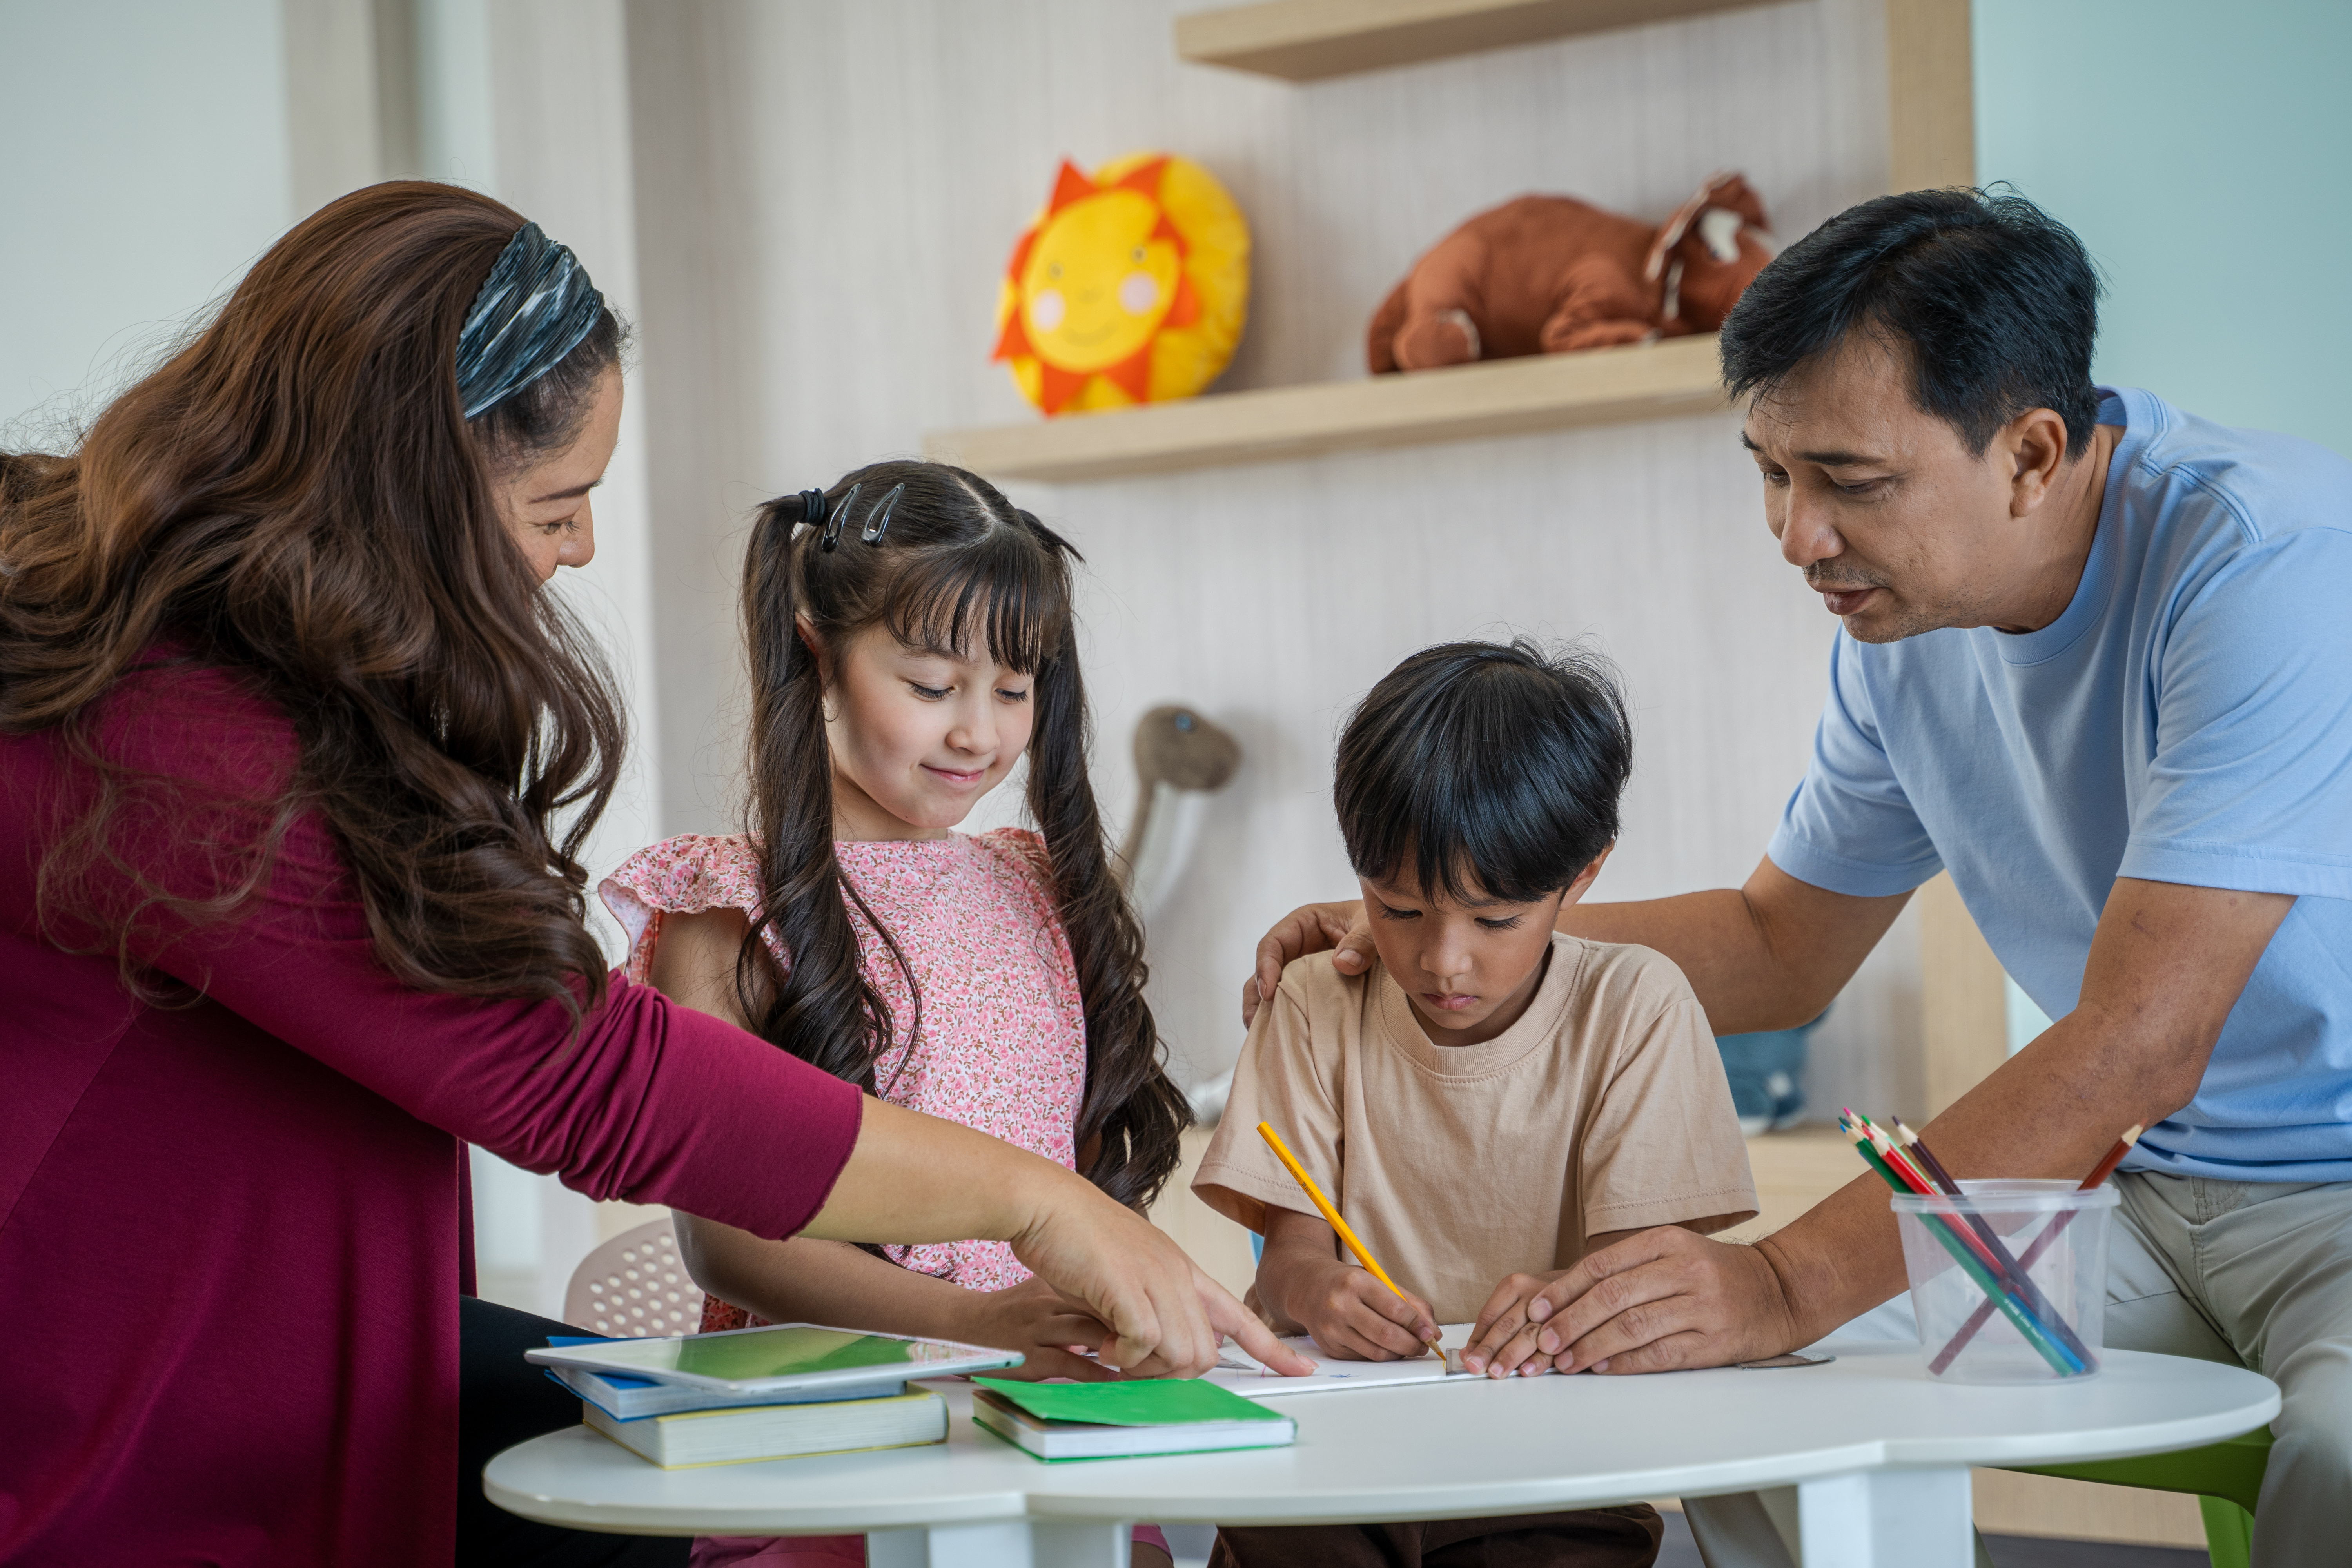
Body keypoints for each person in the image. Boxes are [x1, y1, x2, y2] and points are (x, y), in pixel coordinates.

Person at [0, 181, 1295, 1568]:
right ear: (416, 481)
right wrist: (1043, 1206)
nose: (581, 550)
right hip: (103, 1418)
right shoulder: (175, 748)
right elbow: (591, 1079)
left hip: (243, 1354)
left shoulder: (181, 652)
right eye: (558, 505)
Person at [1246, 189, 2352, 1566]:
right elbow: (1781, 948)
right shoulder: (1901, 632)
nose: (1796, 535)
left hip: (2327, 1191)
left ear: (2031, 451)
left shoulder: (2267, 566)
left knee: (2342, 1451)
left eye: (1848, 481)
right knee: (1692, 1374)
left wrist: (1778, 1280)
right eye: (1771, 473)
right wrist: (1445, 939)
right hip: (2134, 1198)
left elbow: (2141, 1044)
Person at [604, 459, 1212, 1568]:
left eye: (1014, 688)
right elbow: (728, 1246)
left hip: (1047, 1419)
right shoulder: (723, 909)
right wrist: (983, 1329)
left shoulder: (1033, 880)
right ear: (816, 655)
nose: (979, 733)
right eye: (933, 686)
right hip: (828, 1439)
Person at [1198, 640, 1757, 1568]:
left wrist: (1569, 1306)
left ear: (1582, 876)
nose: (1442, 960)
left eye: (1495, 918)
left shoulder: (1637, 1005)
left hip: (1552, 1475)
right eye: (1397, 908)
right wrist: (1319, 1291)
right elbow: (1292, 1255)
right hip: (1325, 1470)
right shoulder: (1313, 999)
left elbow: (1639, 1283)